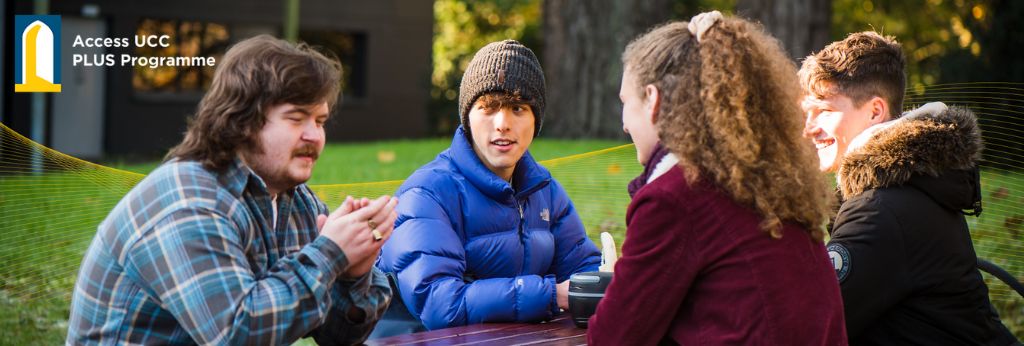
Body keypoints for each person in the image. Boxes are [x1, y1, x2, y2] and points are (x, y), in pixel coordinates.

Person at [67, 35, 395, 345]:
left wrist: (353, 273)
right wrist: (330, 254)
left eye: (320, 121)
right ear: (243, 121)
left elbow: (339, 336)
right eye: (296, 119)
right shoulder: (189, 202)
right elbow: (237, 334)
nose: (314, 136)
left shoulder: (296, 200)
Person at [587, 12, 847, 345]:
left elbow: (613, 338)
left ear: (652, 100)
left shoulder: (675, 197)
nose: (624, 123)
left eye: (625, 102)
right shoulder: (769, 180)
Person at [800, 31, 1018, 344]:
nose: (808, 127)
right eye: (807, 111)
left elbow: (811, 326)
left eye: (824, 110)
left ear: (875, 111)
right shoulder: (907, 186)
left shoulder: (880, 210)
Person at [374, 40, 601, 332]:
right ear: (467, 117)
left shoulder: (545, 189)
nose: (502, 123)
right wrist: (550, 294)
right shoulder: (426, 194)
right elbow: (440, 304)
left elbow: (583, 269)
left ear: (536, 120)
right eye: (488, 108)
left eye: (518, 108)